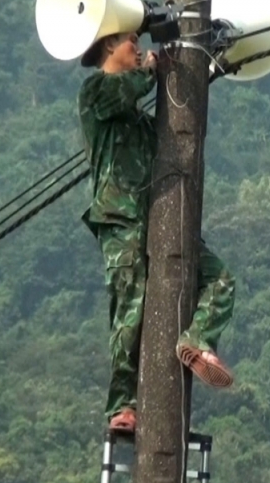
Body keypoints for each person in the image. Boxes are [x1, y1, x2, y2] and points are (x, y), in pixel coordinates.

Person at [78, 30, 236, 434]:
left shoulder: (136, 117)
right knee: (130, 305)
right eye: (131, 41)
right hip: (121, 218)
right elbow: (125, 90)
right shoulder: (95, 92)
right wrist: (154, 69)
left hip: (160, 221)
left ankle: (197, 340)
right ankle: (123, 404)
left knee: (218, 277)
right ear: (110, 45)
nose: (139, 49)